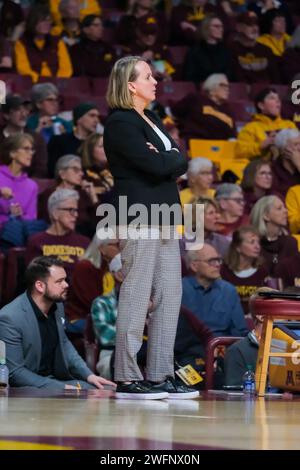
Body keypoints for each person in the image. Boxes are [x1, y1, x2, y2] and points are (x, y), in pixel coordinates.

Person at [103, 56, 198, 399]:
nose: (155, 81)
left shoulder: (152, 117)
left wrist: (167, 156)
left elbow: (179, 157)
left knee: (170, 296)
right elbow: (156, 165)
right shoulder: (120, 123)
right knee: (137, 294)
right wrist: (166, 157)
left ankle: (159, 375)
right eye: (148, 76)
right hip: (138, 214)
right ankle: (127, 377)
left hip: (168, 217)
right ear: (130, 85)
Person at [0, 256, 115, 390]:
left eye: (65, 279)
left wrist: (90, 376)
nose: (66, 285)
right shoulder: (10, 318)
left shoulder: (56, 306)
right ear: (40, 286)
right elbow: (16, 373)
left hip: (55, 380)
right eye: (59, 281)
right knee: (94, 395)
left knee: (107, 389)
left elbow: (64, 344)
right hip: (28, 388)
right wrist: (62, 387)